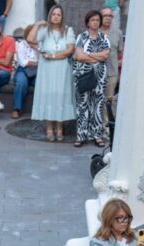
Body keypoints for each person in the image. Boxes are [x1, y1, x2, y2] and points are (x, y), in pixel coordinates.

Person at [29, 5, 75, 140]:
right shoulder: (44, 30)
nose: (56, 17)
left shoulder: (68, 30)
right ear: (50, 16)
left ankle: (60, 127)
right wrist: (37, 24)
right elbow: (30, 39)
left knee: (60, 96)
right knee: (49, 95)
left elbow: (70, 49)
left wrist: (53, 56)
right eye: (54, 14)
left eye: (58, 14)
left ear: (62, 17)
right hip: (47, 69)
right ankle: (49, 127)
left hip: (62, 68)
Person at [72, 10, 110, 147]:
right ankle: (81, 136)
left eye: (97, 20)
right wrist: (97, 56)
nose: (95, 22)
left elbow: (105, 56)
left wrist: (88, 54)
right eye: (92, 20)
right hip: (83, 75)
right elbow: (79, 56)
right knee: (82, 105)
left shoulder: (104, 38)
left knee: (98, 105)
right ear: (87, 22)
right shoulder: (81, 37)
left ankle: (97, 136)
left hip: (99, 77)